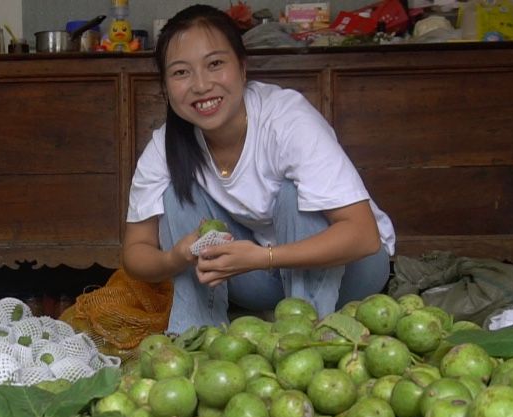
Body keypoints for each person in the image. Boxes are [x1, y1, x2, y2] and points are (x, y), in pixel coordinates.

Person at [122, 4, 395, 334]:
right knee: (176, 194)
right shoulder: (166, 146)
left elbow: (364, 236)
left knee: (295, 196)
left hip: (352, 271)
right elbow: (135, 252)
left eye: (215, 64)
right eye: (181, 72)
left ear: (243, 67)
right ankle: (196, 340)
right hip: (260, 279)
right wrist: (176, 257)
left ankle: (307, 339)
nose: (201, 85)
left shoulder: (286, 120)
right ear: (165, 87)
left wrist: (262, 257)